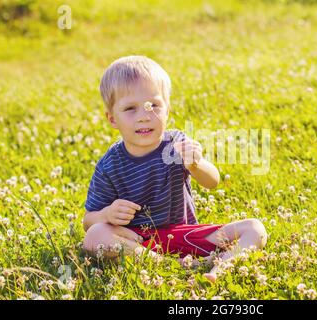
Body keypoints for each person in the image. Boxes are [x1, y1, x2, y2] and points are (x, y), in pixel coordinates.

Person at [82, 55, 267, 282]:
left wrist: (196, 164)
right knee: (95, 236)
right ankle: (172, 266)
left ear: (167, 110)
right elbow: (88, 220)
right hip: (138, 242)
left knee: (254, 229)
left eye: (154, 106)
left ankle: (219, 267)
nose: (143, 116)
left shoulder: (176, 145)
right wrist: (106, 214)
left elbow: (213, 182)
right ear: (112, 119)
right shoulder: (110, 164)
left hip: (185, 235)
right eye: (130, 108)